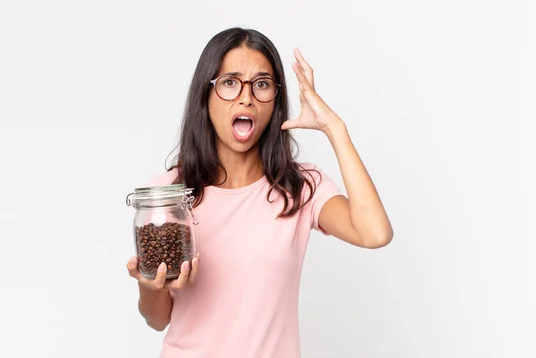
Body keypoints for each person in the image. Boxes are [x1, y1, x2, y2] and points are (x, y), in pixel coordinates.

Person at [126, 27, 393, 357]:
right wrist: (148, 282)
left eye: (262, 84)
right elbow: (157, 319)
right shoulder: (170, 193)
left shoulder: (301, 188)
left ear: (275, 101)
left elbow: (375, 233)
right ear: (205, 96)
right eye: (229, 82)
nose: (246, 97)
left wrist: (333, 127)